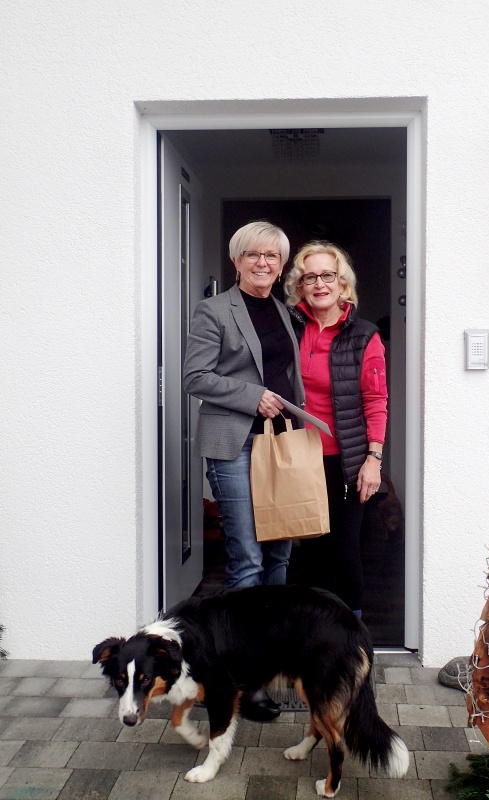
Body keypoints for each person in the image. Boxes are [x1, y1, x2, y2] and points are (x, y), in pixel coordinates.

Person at [183, 220, 305, 720]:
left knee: (278, 556)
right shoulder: (213, 310)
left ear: (282, 264)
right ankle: (241, 678)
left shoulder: (284, 311)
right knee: (248, 559)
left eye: (271, 256)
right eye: (252, 254)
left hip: (280, 445)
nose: (262, 263)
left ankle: (270, 663)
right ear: (236, 261)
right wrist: (252, 397)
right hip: (233, 445)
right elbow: (195, 376)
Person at [284, 241, 388, 619]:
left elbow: (375, 400)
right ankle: (314, 635)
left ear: (343, 284)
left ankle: (351, 638)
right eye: (310, 277)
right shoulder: (286, 327)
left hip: (345, 461)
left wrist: (373, 459)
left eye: (328, 275)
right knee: (308, 553)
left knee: (344, 551)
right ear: (299, 286)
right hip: (297, 457)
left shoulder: (364, 335)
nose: (319, 284)